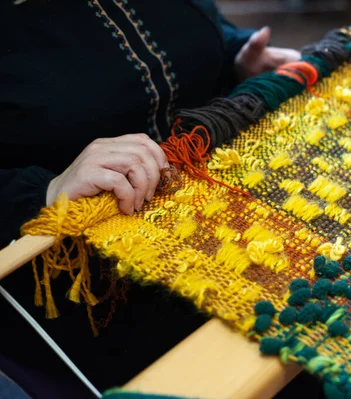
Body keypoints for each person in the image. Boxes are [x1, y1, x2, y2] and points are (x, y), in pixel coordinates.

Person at [0, 1, 303, 398]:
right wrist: (47, 189)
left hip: (233, 219)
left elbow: (199, 29)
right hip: (93, 291)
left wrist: (237, 56)